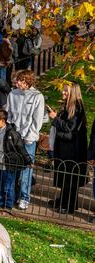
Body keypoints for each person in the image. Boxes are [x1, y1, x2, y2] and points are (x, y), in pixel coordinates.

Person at [4, 69, 45, 210]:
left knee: (26, 169)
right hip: (14, 137)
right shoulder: (12, 94)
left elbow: (37, 120)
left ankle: (24, 197)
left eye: (20, 80)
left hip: (28, 139)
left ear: (27, 81)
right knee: (13, 167)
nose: (17, 83)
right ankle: (12, 195)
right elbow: (8, 114)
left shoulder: (37, 96)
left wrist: (30, 137)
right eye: (16, 80)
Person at [48, 83, 88, 214]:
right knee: (66, 176)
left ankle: (69, 205)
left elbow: (70, 128)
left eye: (66, 91)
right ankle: (64, 200)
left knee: (70, 177)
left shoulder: (77, 107)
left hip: (72, 150)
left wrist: (55, 119)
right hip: (65, 147)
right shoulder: (68, 106)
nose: (63, 93)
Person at [0, 110, 32, 211]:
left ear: (3, 120)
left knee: (8, 186)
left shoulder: (12, 133)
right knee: (0, 184)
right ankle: (1, 203)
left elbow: (21, 148)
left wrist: (28, 161)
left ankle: (8, 206)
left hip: (10, 164)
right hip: (0, 163)